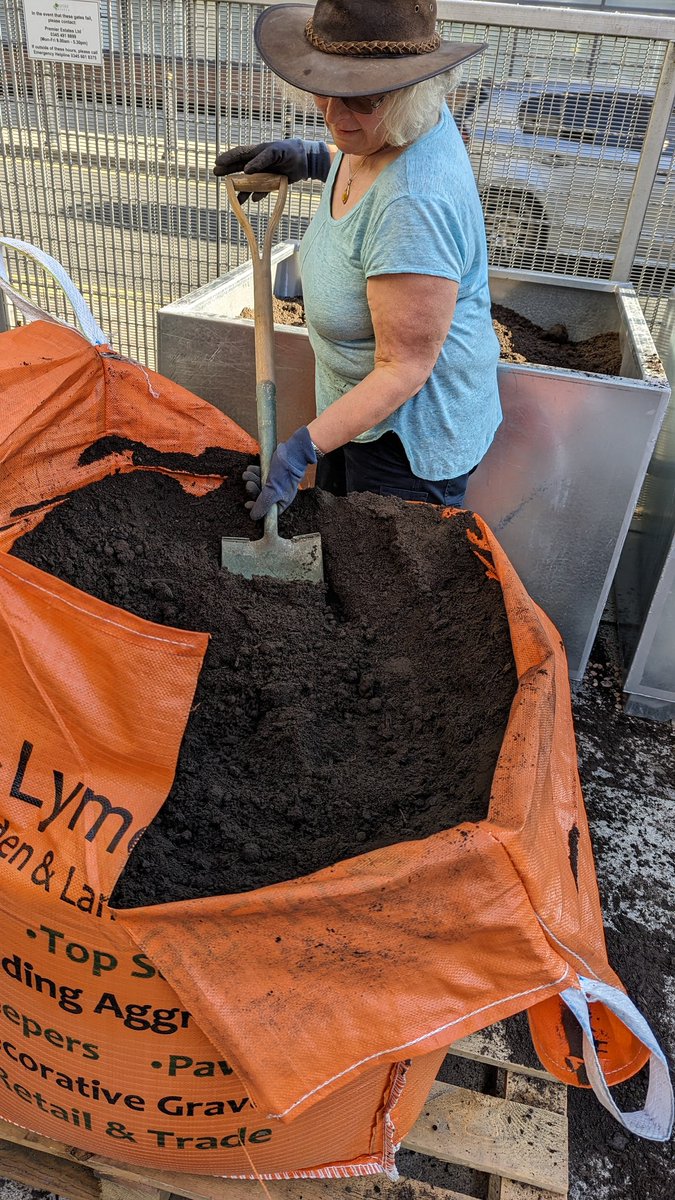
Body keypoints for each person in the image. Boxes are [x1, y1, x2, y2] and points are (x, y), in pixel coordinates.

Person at [213, 0, 502, 520]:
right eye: (327, 88)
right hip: (358, 413)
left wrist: (299, 450)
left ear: (410, 94)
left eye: (361, 100)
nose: (334, 115)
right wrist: (311, 158)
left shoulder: (414, 203)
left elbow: (404, 368)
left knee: (384, 585)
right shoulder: (391, 129)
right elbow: (368, 156)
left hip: (407, 442)